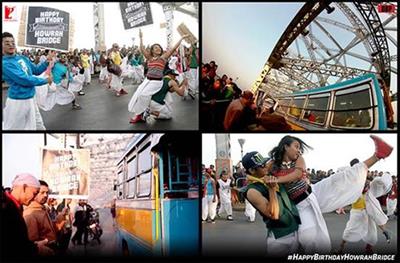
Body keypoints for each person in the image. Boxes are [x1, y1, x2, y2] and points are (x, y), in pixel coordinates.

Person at [263, 135, 393, 253]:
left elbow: (296, 174)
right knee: (306, 236)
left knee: (341, 178)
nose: (299, 151)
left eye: (300, 148)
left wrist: (276, 180)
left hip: (312, 194)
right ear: (285, 146)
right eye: (296, 147)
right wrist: (266, 179)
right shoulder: (272, 165)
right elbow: (260, 173)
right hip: (298, 206)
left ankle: (379, 154)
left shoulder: (299, 159)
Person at [241, 151, 301, 257]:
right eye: (262, 165)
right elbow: (273, 214)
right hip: (280, 237)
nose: (266, 166)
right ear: (252, 170)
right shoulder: (252, 191)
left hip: (295, 229)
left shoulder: (268, 177)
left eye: (265, 162)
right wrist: (272, 189)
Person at [128, 29, 190, 123]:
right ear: (152, 51)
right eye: (155, 48)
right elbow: (142, 49)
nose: (158, 49)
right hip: (147, 80)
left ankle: (144, 112)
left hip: (156, 82)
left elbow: (173, 49)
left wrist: (181, 38)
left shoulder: (163, 58)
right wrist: (141, 37)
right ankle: (139, 114)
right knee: (138, 96)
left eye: (159, 47)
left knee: (144, 95)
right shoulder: (149, 58)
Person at [2, 32, 54, 130]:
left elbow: (36, 70)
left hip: (31, 99)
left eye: (12, 42)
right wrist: (45, 80)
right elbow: (24, 80)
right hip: (17, 102)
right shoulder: (5, 64)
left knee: (39, 126)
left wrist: (47, 60)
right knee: (13, 129)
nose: (11, 45)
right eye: (7, 43)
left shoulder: (22, 58)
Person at [338, 162, 392, 254]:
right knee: (349, 231)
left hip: (367, 209)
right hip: (357, 211)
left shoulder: (365, 180)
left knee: (372, 232)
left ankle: (369, 248)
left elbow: (373, 185)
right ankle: (340, 249)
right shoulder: (351, 180)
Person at [1, 173, 52, 260]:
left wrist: (35, 245)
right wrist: (35, 249)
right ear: (24, 187)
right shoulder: (5, 208)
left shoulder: (14, 207)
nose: (35, 197)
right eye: (35, 193)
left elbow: (17, 241)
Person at [23, 180, 58, 255]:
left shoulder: (43, 209)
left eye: (47, 192)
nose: (46, 195)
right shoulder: (30, 214)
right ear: (34, 193)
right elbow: (32, 243)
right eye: (42, 192)